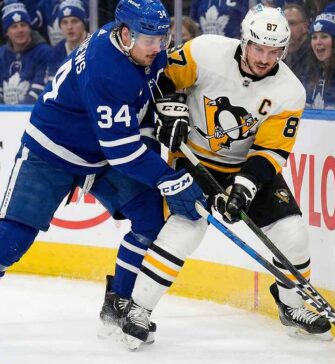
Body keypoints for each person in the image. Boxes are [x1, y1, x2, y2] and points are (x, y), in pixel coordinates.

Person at [120, 4, 333, 350]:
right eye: (259, 48)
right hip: (194, 159)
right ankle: (138, 309)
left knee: (292, 231)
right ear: (244, 40)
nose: (265, 58)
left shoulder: (289, 91)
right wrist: (170, 110)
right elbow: (161, 81)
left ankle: (292, 307)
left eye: (274, 51)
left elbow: (271, 152)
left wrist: (244, 190)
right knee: (185, 229)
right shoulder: (204, 51)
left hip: (245, 165)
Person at [0, 0, 206, 346]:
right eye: (149, 40)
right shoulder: (105, 70)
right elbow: (124, 151)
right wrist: (170, 179)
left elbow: (151, 86)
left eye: (162, 38)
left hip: (100, 152)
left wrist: (169, 105)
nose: (157, 49)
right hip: (52, 149)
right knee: (12, 240)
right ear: (125, 35)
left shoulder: (135, 46)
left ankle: (118, 305)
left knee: (150, 217)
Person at [0, 2, 51, 104]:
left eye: (23, 25)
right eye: (14, 27)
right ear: (6, 32)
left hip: (29, 114)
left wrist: (17, 114)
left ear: (29, 27)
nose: (20, 30)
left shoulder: (44, 52)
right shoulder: (1, 54)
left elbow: (39, 90)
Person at [47, 0, 88, 80]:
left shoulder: (96, 46)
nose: (69, 27)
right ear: (60, 26)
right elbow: (53, 86)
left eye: (74, 21)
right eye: (65, 22)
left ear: (84, 23)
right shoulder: (56, 52)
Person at [283, 3, 311, 82]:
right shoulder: (277, 53)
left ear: (305, 27)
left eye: (292, 23)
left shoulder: (314, 56)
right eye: (283, 24)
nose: (286, 29)